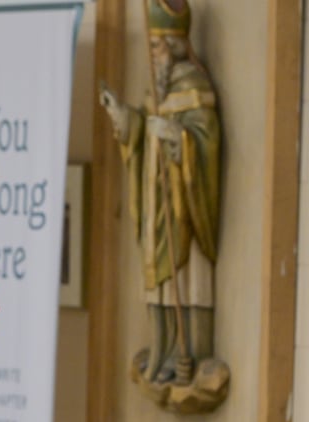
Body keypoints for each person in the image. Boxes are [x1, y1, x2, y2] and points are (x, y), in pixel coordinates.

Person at [99, 0, 221, 388]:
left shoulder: (194, 87)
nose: (152, 55)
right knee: (157, 282)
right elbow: (142, 129)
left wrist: (179, 139)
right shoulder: (159, 88)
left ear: (175, 44)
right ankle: (162, 351)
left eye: (157, 46)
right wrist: (123, 115)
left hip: (185, 205)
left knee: (183, 282)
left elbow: (206, 144)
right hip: (156, 204)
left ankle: (189, 353)